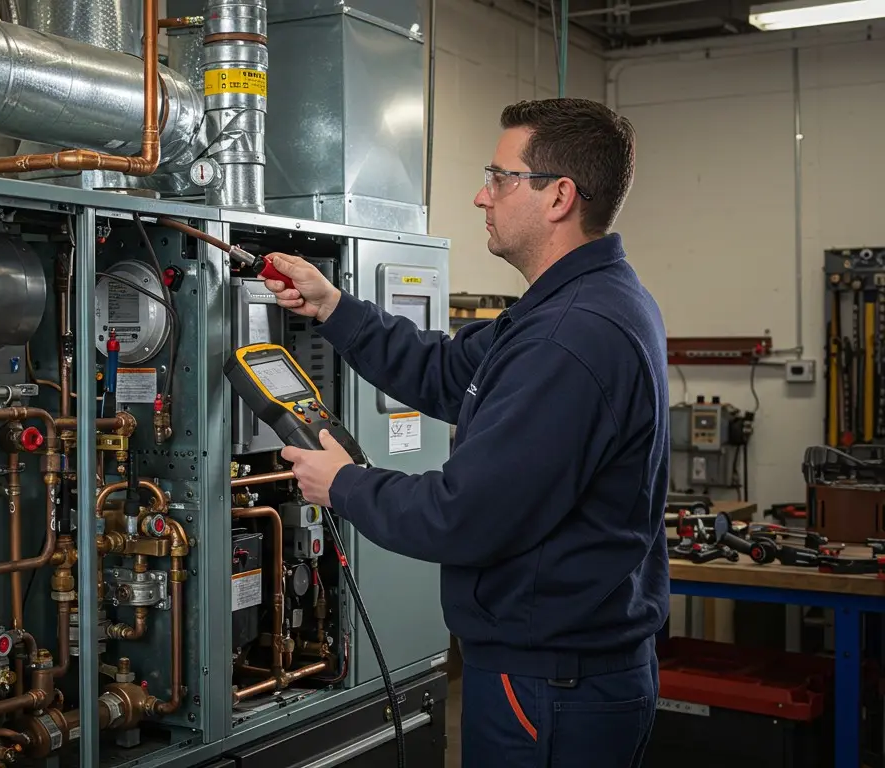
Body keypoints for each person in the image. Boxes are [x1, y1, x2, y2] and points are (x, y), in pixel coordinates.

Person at [263, 98, 669, 767]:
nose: (483, 195)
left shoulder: (572, 338)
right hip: (561, 668)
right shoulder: (578, 307)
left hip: (550, 683)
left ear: (559, 196)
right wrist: (332, 307)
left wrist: (344, 485)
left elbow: (466, 515)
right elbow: (448, 371)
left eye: (501, 177)